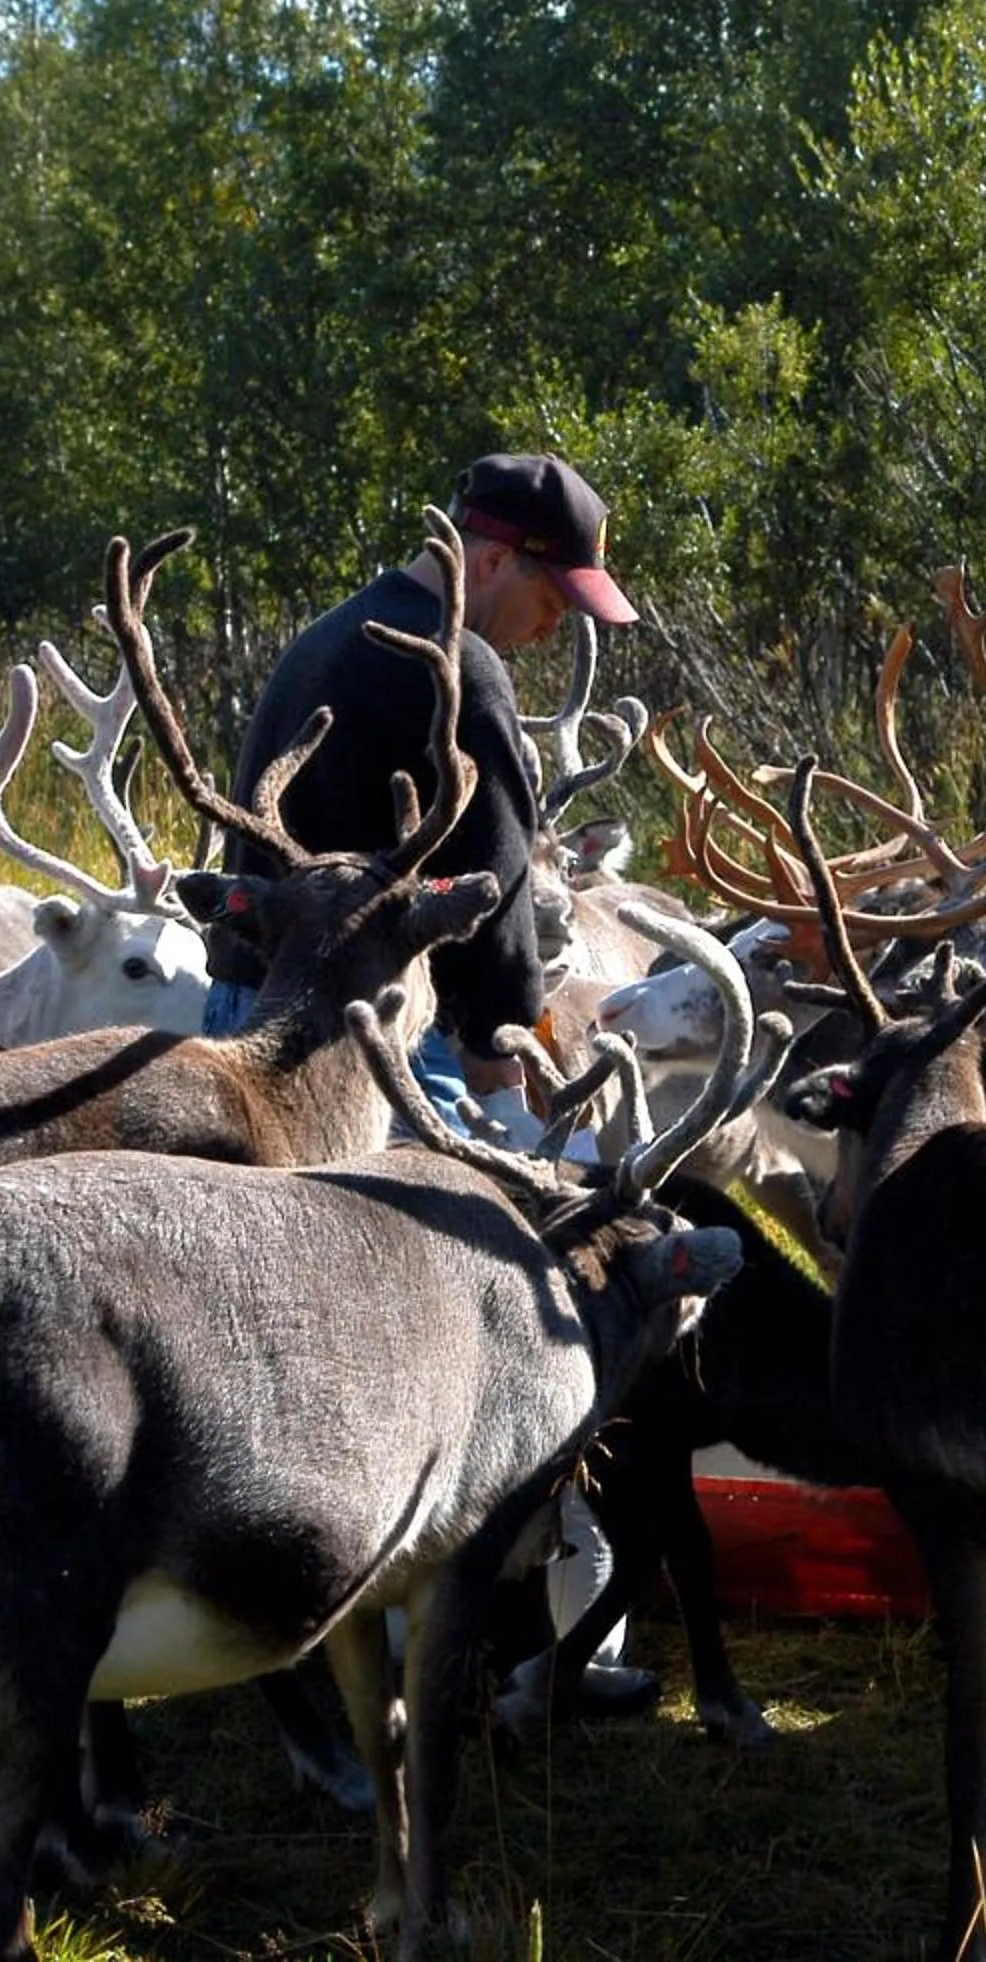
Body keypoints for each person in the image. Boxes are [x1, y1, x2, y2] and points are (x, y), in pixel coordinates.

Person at [200, 451, 653, 1718]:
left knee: (276, 1334)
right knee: (468, 1314)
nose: (554, 628)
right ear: (494, 556)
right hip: (367, 1046)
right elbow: (495, 874)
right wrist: (507, 1034)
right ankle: (469, 1643)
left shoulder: (330, 636)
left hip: (250, 1014)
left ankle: (293, 1625)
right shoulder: (457, 662)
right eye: (555, 599)